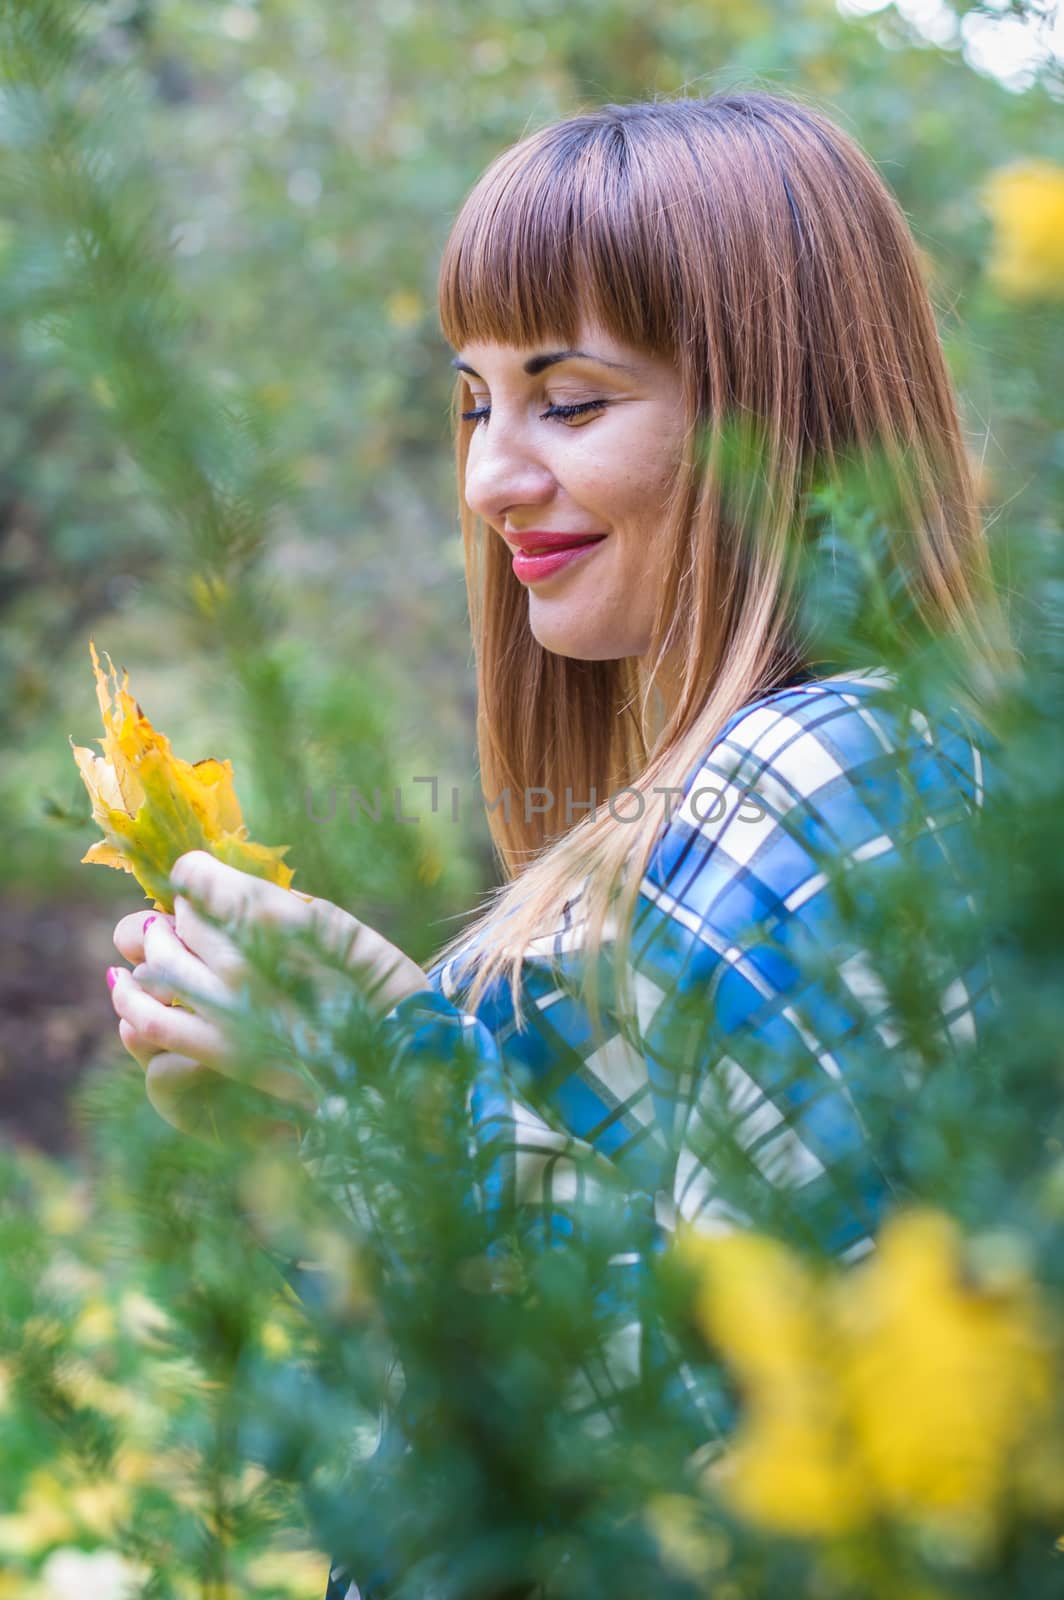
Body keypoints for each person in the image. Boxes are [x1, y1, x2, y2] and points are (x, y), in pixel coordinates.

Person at [106, 90, 1013, 1600]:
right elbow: (509, 1431)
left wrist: (394, 1085)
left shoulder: (822, 771)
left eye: (571, 401)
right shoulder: (749, 800)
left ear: (768, 417)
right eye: (475, 403)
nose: (488, 482)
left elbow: (789, 1477)